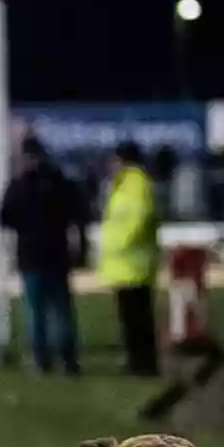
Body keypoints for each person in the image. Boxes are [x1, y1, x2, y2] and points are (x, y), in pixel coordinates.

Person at [0, 137, 84, 374]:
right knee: (62, 310)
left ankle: (40, 359)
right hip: (57, 253)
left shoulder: (19, 185)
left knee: (35, 312)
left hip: (30, 255)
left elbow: (4, 217)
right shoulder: (61, 182)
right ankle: (68, 358)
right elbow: (78, 212)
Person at [96, 139, 161, 377]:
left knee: (137, 319)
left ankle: (142, 364)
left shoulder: (134, 184)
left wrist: (120, 244)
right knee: (132, 319)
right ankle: (137, 361)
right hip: (126, 264)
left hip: (133, 263)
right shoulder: (123, 184)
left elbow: (137, 218)